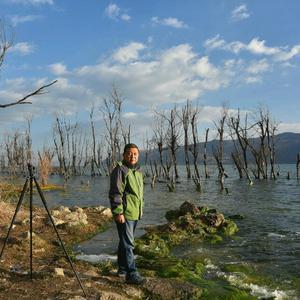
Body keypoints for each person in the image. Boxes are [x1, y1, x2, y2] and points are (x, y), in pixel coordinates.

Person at [109, 143, 145, 285]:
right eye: (129, 153)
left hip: (135, 213)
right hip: (125, 214)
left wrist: (141, 210)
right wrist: (118, 212)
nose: (132, 156)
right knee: (129, 243)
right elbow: (115, 193)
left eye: (135, 154)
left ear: (138, 155)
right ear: (124, 155)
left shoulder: (137, 171)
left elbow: (138, 194)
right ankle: (132, 273)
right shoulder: (120, 170)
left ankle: (122, 269)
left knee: (124, 241)